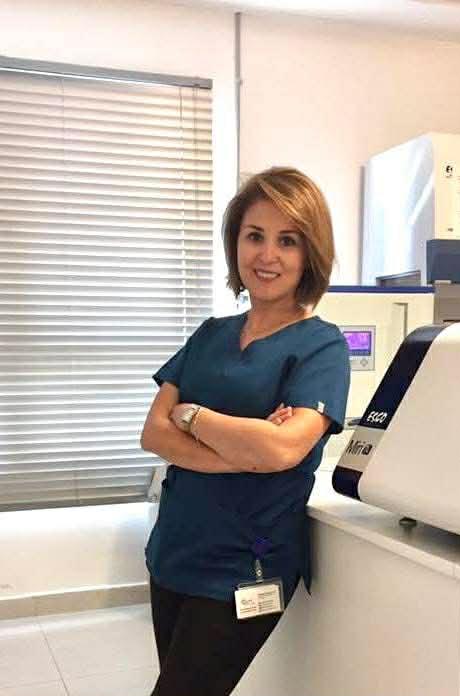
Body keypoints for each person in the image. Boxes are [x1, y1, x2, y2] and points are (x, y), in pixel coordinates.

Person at [140, 166, 350, 696]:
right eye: (255, 236)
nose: (267, 255)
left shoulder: (322, 346)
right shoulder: (210, 334)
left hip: (247, 567)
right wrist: (244, 447)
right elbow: (154, 433)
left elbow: (283, 448)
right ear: (236, 243)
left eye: (288, 240)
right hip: (174, 551)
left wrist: (193, 416)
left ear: (310, 253)